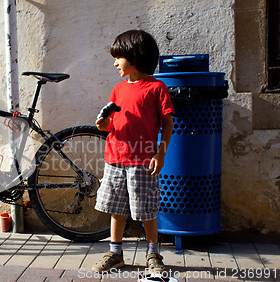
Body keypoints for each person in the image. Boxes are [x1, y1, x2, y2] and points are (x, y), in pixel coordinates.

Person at [92, 30, 174, 273]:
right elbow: (113, 122)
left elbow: (167, 123)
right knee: (116, 208)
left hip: (143, 160)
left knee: (146, 209)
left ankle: (153, 253)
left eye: (119, 57)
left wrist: (161, 153)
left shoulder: (156, 88)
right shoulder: (118, 89)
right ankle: (115, 253)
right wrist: (104, 124)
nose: (115, 63)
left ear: (135, 56)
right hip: (115, 159)